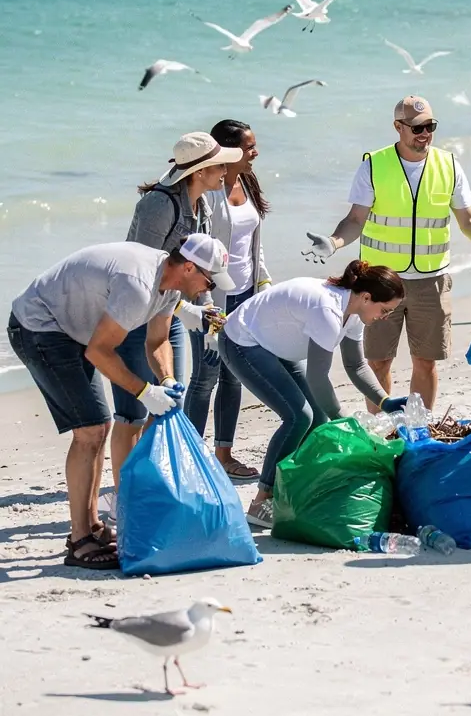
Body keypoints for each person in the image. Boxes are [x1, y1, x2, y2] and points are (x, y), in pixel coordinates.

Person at [7, 235, 233, 570]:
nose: (206, 289)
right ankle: (79, 541)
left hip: (72, 331)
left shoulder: (170, 287)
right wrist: (145, 392)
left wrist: (166, 381)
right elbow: (99, 352)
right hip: (39, 326)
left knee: (100, 427)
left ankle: (92, 527)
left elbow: (157, 342)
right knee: (90, 431)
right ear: (188, 267)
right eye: (208, 280)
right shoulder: (138, 285)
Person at [301, 95, 471, 411]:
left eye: (430, 126)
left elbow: (469, 221)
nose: (424, 133)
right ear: (398, 127)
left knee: (426, 362)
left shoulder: (449, 165)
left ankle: (419, 430)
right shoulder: (374, 165)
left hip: (432, 281)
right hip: (380, 283)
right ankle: (382, 431)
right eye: (416, 127)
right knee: (378, 362)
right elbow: (355, 219)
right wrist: (333, 242)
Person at [218, 261, 407, 528]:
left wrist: (384, 400)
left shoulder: (354, 313)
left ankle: (293, 486)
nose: (385, 316)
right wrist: (343, 420)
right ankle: (261, 501)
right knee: (298, 415)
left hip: (277, 345)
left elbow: (356, 366)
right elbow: (318, 378)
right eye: (385, 310)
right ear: (366, 297)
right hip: (243, 340)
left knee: (317, 417)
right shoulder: (328, 311)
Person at [109, 131, 243, 487]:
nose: (226, 171)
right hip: (133, 316)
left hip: (166, 313)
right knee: (132, 414)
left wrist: (208, 311)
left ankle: (151, 484)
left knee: (168, 399)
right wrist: (186, 309)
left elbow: (200, 267)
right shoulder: (158, 205)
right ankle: (125, 494)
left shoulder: (203, 205)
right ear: (199, 171)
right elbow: (142, 273)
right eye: (219, 166)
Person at [183, 120, 272, 479]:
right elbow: (195, 255)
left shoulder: (248, 183)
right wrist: (205, 309)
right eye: (249, 147)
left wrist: (264, 284)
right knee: (205, 377)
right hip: (212, 301)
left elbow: (254, 245)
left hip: (246, 296)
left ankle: (223, 455)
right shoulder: (207, 193)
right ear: (228, 151)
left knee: (234, 377)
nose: (255, 152)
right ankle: (189, 459)